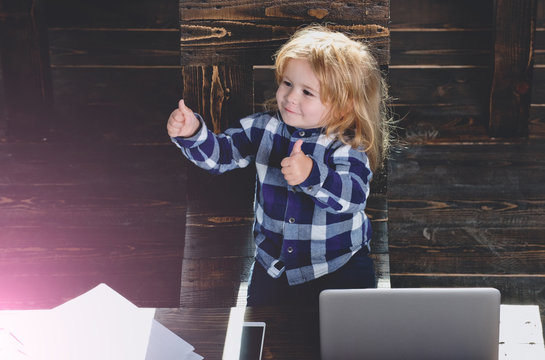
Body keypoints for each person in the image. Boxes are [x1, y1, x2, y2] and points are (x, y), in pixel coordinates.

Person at [167, 25, 392, 307]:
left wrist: (312, 174)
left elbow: (352, 198)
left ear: (343, 106)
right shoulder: (264, 128)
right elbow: (222, 155)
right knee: (265, 340)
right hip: (274, 267)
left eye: (307, 92)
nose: (290, 97)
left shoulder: (346, 144)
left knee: (345, 341)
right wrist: (192, 133)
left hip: (339, 267)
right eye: (287, 83)